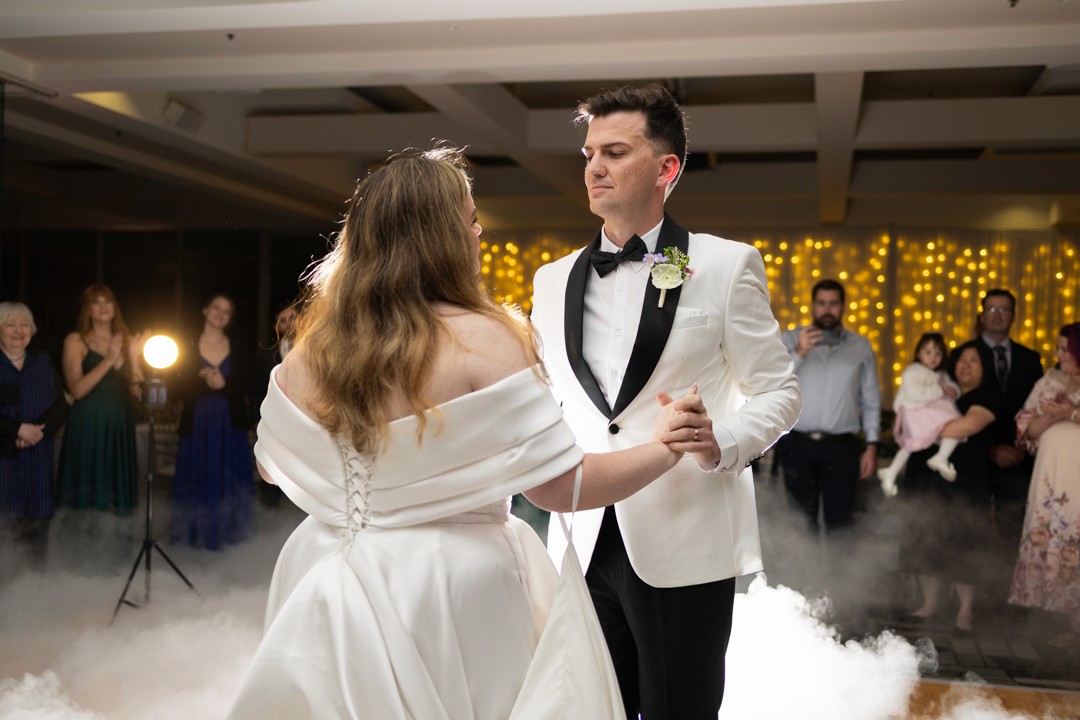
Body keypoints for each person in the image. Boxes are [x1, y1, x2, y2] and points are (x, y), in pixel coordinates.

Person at [228, 147, 688, 720]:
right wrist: (665, 447)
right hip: (452, 585)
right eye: (470, 220)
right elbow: (559, 488)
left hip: (322, 577)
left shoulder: (311, 352)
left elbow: (273, 467)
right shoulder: (484, 340)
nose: (478, 234)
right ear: (440, 237)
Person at [530, 84, 801, 718]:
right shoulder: (552, 279)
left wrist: (721, 440)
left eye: (615, 151)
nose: (594, 166)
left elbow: (781, 391)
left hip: (686, 537)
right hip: (579, 534)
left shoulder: (727, 265)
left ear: (666, 168)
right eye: (589, 152)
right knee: (589, 705)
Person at [897, 341, 999, 635]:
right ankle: (929, 604)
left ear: (986, 368)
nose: (966, 366)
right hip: (926, 477)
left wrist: (922, 428)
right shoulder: (941, 387)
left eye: (974, 361)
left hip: (965, 482)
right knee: (924, 540)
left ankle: (965, 612)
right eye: (962, 360)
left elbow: (965, 428)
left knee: (964, 544)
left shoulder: (988, 396)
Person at [779, 279, 881, 532]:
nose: (827, 309)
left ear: (843, 306)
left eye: (833, 304)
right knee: (800, 521)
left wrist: (872, 445)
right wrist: (800, 352)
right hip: (796, 443)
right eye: (822, 303)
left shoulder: (861, 346)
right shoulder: (789, 339)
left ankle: (840, 571)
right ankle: (804, 572)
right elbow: (772, 382)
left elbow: (870, 399)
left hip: (841, 446)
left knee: (842, 520)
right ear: (812, 306)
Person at [1008, 323, 1080, 648]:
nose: (1058, 354)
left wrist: (1072, 411)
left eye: (1065, 349)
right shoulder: (1049, 380)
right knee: (1054, 539)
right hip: (1052, 477)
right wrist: (1052, 416)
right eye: (1058, 347)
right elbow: (1026, 429)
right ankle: (1063, 623)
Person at [170, 294, 255, 550]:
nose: (220, 314)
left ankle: (232, 540)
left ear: (230, 319)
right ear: (205, 310)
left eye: (226, 311)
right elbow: (174, 387)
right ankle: (195, 540)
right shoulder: (186, 344)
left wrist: (225, 384)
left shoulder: (239, 347)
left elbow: (251, 383)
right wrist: (202, 382)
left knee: (230, 477)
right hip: (197, 425)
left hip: (230, 425)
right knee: (197, 475)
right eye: (216, 308)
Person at [962, 289, 1043, 541]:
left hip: (1016, 460)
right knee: (970, 531)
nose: (997, 316)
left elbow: (1035, 409)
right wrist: (988, 449)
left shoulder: (1030, 359)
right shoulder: (963, 355)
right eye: (991, 309)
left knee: (1014, 531)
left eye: (1004, 309)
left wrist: (1021, 449)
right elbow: (955, 410)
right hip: (973, 457)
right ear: (982, 315)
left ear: (1014, 316)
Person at [57, 285, 145, 514]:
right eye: (96, 302)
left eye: (108, 301)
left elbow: (139, 393)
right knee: (88, 478)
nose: (103, 306)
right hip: (88, 421)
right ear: (87, 309)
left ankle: (114, 542)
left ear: (115, 307)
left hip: (119, 420)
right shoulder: (75, 341)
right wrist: (109, 359)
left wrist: (134, 357)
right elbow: (77, 390)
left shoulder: (125, 340)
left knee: (116, 485)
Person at [0, 302, 69, 566]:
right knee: (5, 527)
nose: (19, 330)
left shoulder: (43, 362)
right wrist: (17, 429)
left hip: (38, 461)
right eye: (10, 324)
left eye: (24, 324)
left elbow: (60, 407)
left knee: (38, 528)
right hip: (4, 463)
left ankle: (35, 590)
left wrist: (37, 432)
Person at [877, 332, 961, 497]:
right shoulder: (913, 371)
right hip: (916, 412)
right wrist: (940, 390)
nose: (933, 357)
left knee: (914, 444)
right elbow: (914, 394)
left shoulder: (940, 374)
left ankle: (892, 471)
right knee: (951, 425)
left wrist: (954, 391)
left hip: (927, 413)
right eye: (928, 352)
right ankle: (940, 457)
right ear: (918, 353)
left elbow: (951, 384)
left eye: (938, 353)